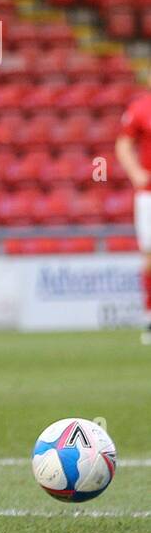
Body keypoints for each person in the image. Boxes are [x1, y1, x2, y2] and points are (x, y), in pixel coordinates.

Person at [115, 88, 151, 344]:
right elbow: (123, 144)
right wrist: (136, 173)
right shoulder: (141, 107)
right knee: (150, 256)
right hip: (150, 194)